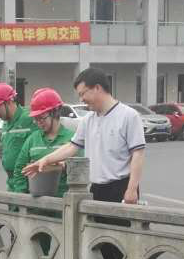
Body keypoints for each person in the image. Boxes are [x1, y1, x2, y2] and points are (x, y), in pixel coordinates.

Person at [20, 67, 145, 203]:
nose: (81, 99)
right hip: (96, 189)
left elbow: (138, 154)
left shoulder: (128, 116)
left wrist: (132, 189)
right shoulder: (88, 119)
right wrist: (45, 160)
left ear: (97, 88)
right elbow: (72, 147)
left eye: (82, 94)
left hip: (121, 188)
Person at [14, 87, 76, 196]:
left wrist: (64, 166)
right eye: (35, 119)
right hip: (36, 206)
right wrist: (22, 195)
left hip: (62, 204)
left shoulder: (72, 139)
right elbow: (20, 169)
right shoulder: (32, 139)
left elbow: (81, 169)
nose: (38, 123)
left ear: (55, 113)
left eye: (41, 118)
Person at [0, 81, 35, 193]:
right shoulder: (5, 124)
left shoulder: (29, 118)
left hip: (28, 183)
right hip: (12, 183)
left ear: (9, 101)